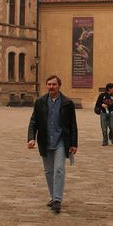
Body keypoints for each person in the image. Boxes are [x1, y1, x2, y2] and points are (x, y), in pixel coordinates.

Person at [28, 75, 78, 213]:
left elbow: (73, 125)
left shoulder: (67, 103)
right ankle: (52, 196)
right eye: (49, 84)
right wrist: (31, 138)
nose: (51, 87)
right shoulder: (40, 102)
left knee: (59, 169)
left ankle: (57, 199)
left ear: (59, 86)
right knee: (49, 171)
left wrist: (74, 143)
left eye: (54, 84)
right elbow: (34, 122)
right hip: (45, 140)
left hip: (61, 140)